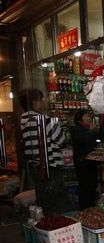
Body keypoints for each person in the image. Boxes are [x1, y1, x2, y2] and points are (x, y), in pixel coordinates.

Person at [19, 88, 69, 216]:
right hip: (50, 168)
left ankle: (46, 230)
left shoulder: (23, 120)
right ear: (35, 102)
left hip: (36, 168)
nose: (43, 102)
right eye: (41, 99)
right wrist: (56, 121)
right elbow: (61, 140)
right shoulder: (43, 119)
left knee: (44, 203)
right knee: (58, 204)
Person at [71, 110, 99, 210]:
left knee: (91, 188)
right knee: (86, 188)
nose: (89, 118)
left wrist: (94, 133)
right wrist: (92, 132)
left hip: (91, 163)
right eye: (86, 116)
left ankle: (91, 209)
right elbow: (86, 142)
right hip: (83, 164)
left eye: (89, 116)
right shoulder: (76, 129)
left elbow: (96, 142)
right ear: (79, 119)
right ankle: (85, 210)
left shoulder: (87, 129)